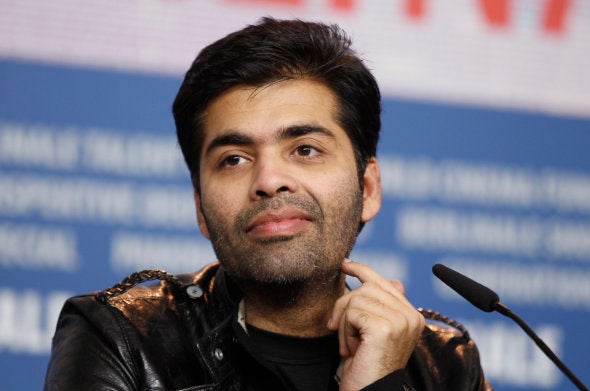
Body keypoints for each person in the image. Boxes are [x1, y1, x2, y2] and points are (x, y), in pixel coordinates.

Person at [44, 17, 491, 390]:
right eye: (234, 159)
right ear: (201, 207)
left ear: (368, 189)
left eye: (305, 149)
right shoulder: (122, 337)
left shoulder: (445, 363)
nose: (269, 181)